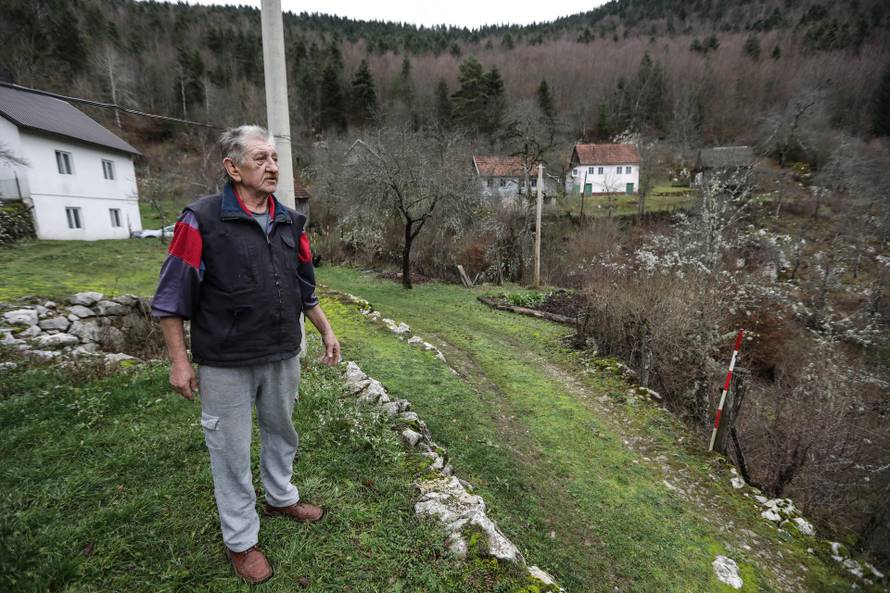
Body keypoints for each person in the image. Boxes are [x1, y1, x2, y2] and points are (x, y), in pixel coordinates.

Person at [151, 125, 340, 585]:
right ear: (232, 168)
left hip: (282, 352)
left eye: (274, 158)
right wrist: (179, 360)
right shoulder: (201, 219)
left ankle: (280, 497)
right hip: (225, 360)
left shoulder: (291, 222)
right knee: (230, 451)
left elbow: (304, 288)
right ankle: (241, 540)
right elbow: (172, 295)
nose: (272, 166)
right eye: (261, 158)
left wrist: (326, 331)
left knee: (282, 432)